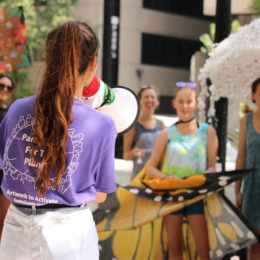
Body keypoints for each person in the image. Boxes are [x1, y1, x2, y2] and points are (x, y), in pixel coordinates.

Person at [0, 21, 117, 259]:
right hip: (69, 233)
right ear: (92, 64)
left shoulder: (16, 110)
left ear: (48, 59)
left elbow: (6, 170)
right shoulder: (101, 124)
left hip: (16, 227)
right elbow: (101, 194)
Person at [146, 82, 218, 260]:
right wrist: (167, 177)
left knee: (204, 249)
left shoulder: (207, 131)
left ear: (196, 103)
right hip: (172, 196)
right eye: (181, 101)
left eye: (189, 101)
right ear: (174, 103)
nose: (185, 106)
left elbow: (212, 167)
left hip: (197, 196)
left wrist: (205, 176)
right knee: (175, 248)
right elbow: (150, 168)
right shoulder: (166, 133)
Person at [235, 78, 260, 260]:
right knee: (254, 242)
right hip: (252, 188)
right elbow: (241, 156)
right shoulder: (246, 121)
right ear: (254, 95)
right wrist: (237, 189)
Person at [123, 85, 164, 179]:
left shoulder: (161, 125)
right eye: (146, 97)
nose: (149, 100)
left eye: (152, 97)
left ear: (157, 102)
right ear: (140, 101)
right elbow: (126, 156)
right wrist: (134, 153)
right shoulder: (133, 125)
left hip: (157, 178)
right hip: (139, 178)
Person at [0, 73, 15, 241]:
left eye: (8, 87)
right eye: (1, 86)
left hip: (4, 174)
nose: (4, 90)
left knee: (3, 222)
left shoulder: (12, 115)